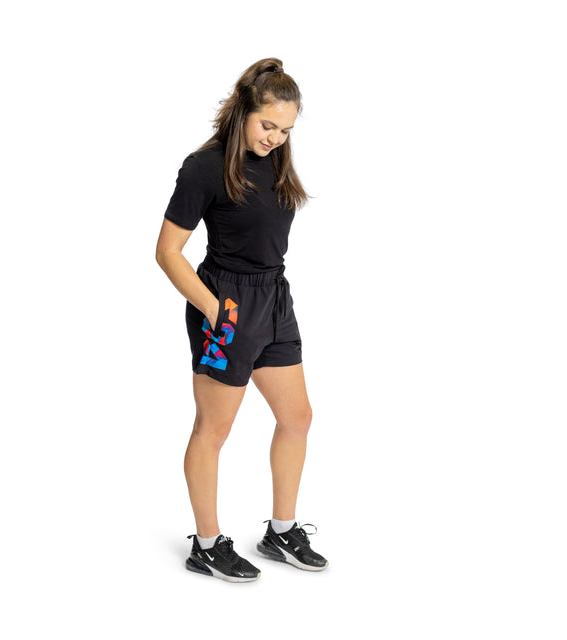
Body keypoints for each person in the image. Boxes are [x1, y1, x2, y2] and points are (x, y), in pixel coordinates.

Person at [155, 58, 328, 583]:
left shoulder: (277, 160)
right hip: (225, 303)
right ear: (242, 113)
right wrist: (214, 311)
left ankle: (281, 531)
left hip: (275, 298)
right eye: (267, 125)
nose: (275, 138)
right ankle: (207, 545)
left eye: (286, 129)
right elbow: (167, 251)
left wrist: (263, 300)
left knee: (297, 417)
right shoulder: (203, 166)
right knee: (214, 428)